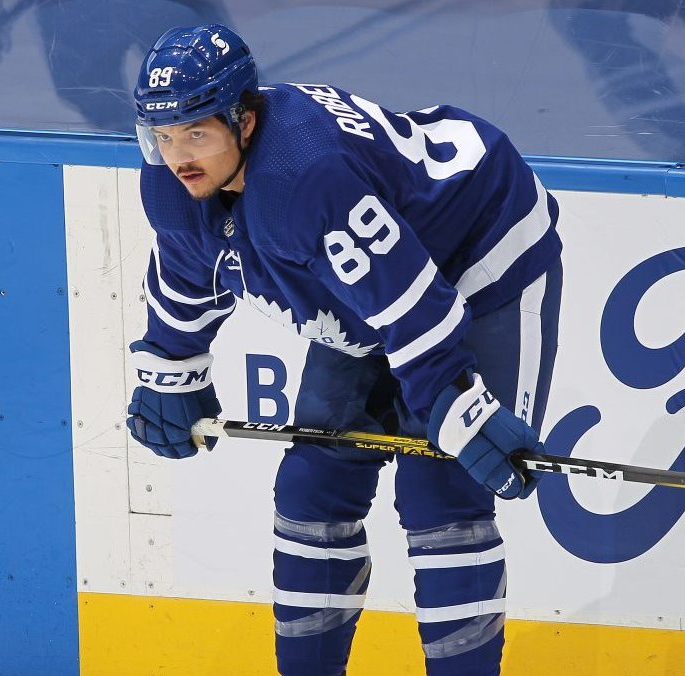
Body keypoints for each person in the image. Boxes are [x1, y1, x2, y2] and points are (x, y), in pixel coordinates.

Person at [124, 24, 563, 676]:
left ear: (244, 120)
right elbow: (190, 270)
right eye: (162, 136)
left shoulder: (304, 176)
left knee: (443, 492)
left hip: (480, 246)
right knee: (314, 486)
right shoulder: (173, 184)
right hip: (374, 281)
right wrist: (171, 367)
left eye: (196, 135)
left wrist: (458, 404)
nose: (178, 156)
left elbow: (412, 303)